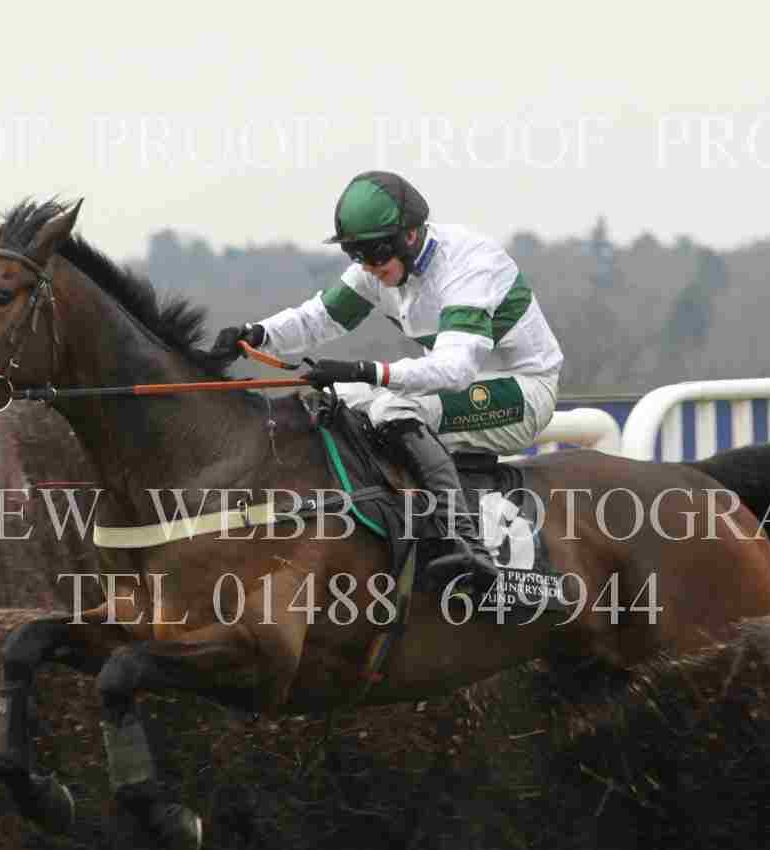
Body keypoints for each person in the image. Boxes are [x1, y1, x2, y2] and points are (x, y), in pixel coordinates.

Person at [208, 170, 566, 596]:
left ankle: (469, 546)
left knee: (395, 407)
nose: (368, 269)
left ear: (409, 238)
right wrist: (257, 333)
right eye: (356, 256)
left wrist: (365, 370)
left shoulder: (469, 267)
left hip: (523, 392)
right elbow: (320, 317)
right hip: (459, 386)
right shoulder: (379, 268)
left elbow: (454, 370)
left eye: (374, 256)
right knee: (341, 399)